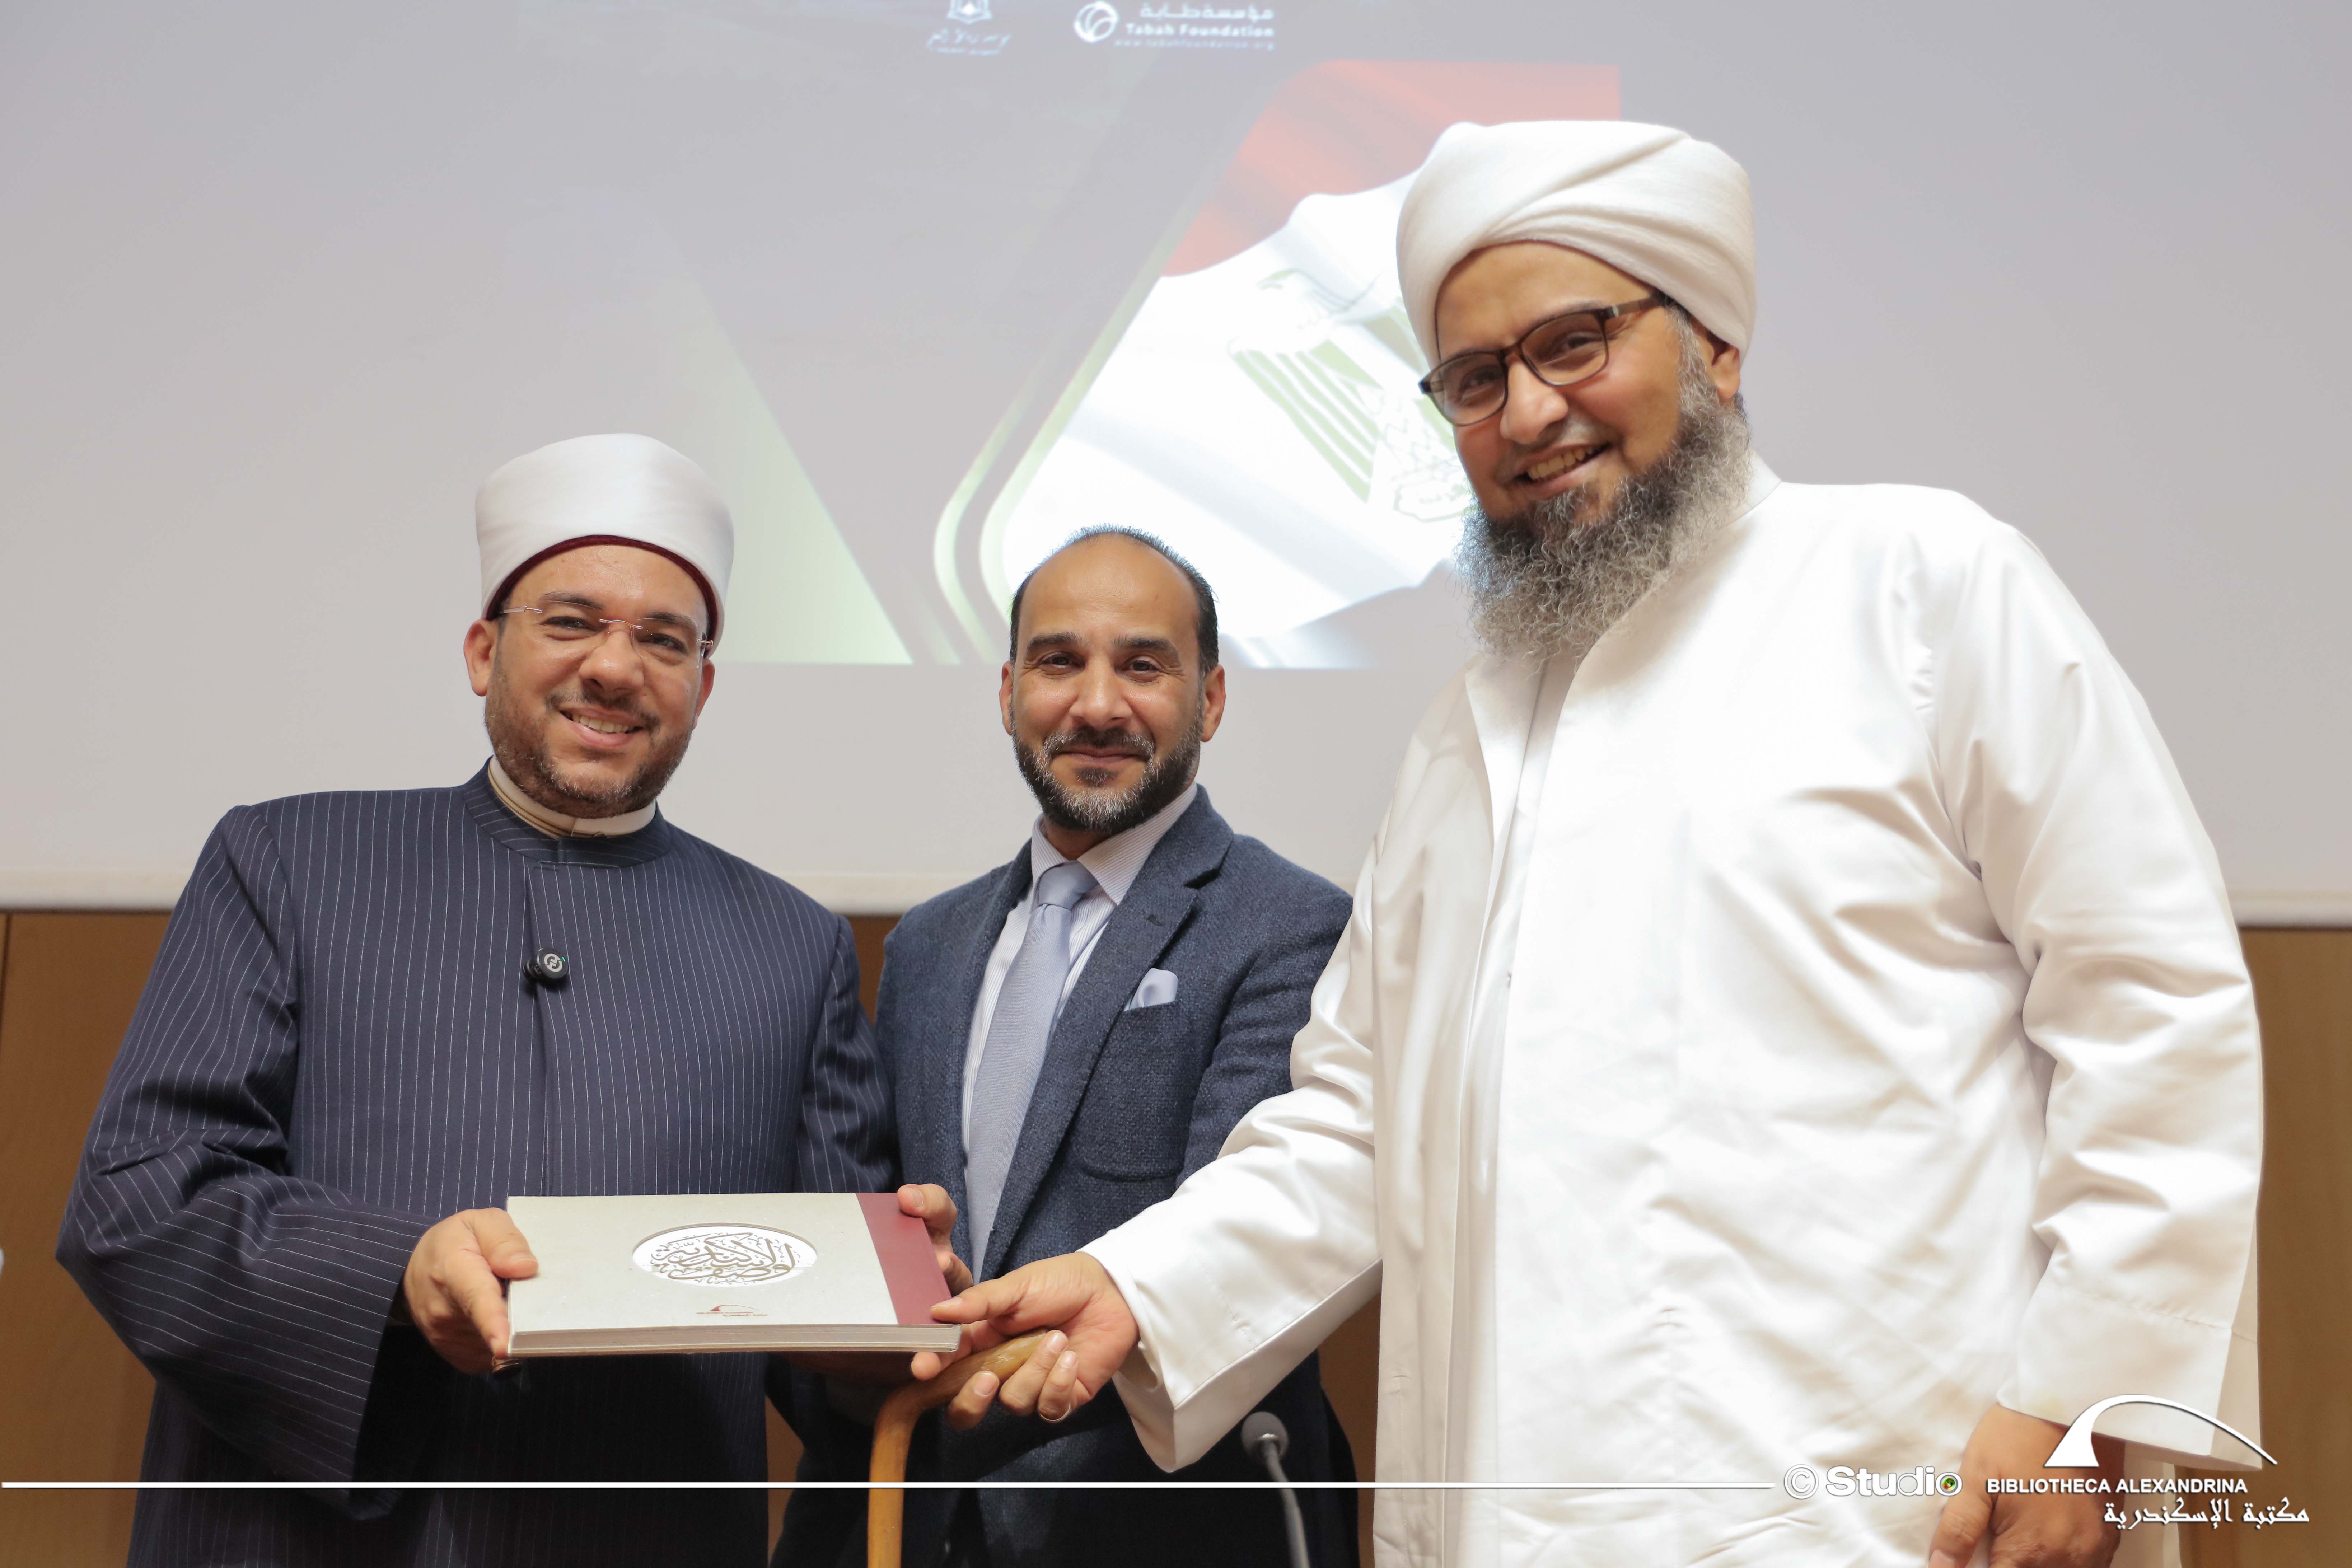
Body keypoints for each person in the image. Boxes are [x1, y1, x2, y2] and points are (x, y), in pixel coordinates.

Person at [919, 123, 2265, 1568]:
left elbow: (2152, 1006)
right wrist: (1143, 1285)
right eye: (1473, 378)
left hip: (1877, 1507)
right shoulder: (1465, 730)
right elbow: (1358, 1123)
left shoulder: (1921, 584)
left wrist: (2078, 1403)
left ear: (1714, 348)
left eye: (1572, 343)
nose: (1526, 411)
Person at [57, 434, 925, 1567]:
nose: (614, 667)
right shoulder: (288, 861)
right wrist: (396, 1271)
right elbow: (136, 1199)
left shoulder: (791, 945)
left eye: (663, 639)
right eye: (571, 622)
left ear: (704, 687)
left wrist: (894, 1321)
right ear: (483, 650)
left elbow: (823, 1344)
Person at [780, 529, 1359, 1567]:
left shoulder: (1294, 927)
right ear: (1009, 693)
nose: (1097, 705)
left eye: (1142, 665)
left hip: (1152, 1531)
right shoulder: (926, 945)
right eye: (1058, 662)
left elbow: (1238, 1242)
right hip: (912, 1524)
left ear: (1211, 698)